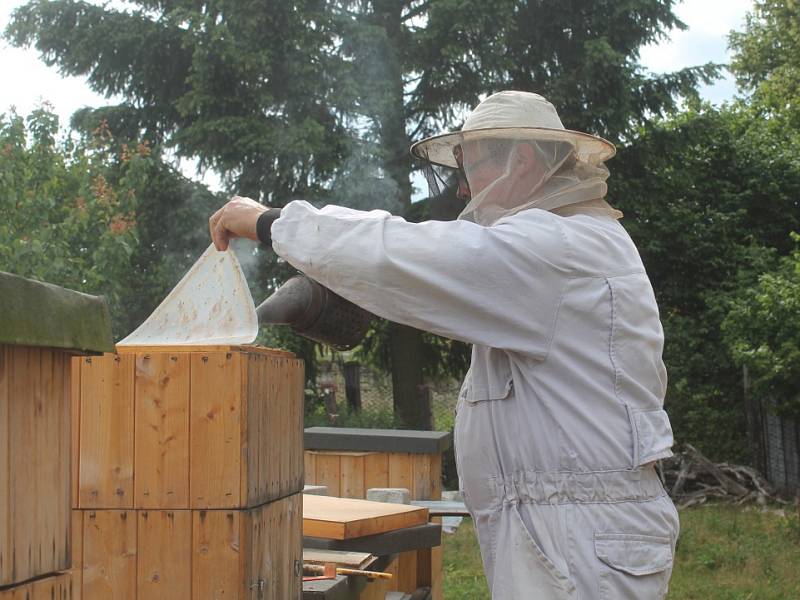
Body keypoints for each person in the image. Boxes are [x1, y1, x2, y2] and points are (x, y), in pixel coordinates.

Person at [209, 91, 679, 599]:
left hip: (582, 542)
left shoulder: (558, 247)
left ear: (520, 161)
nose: (461, 189)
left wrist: (270, 222)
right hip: (570, 533)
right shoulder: (561, 245)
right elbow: (418, 265)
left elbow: (405, 254)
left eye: (469, 167)